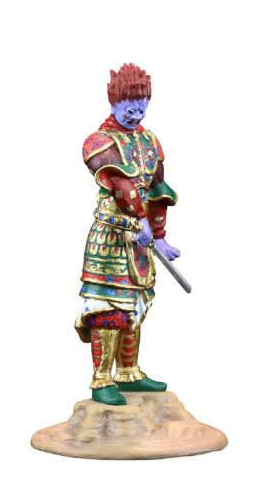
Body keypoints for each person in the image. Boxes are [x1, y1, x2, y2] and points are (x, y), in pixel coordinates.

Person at [74, 63, 180, 405]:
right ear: (114, 102)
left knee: (135, 305)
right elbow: (122, 184)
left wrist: (159, 235)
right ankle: (101, 380)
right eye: (129, 109)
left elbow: (157, 188)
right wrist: (140, 220)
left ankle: (128, 372)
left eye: (142, 108)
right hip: (111, 237)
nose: (136, 115)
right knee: (109, 307)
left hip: (140, 240)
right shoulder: (99, 141)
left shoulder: (149, 141)